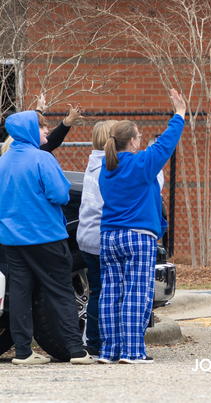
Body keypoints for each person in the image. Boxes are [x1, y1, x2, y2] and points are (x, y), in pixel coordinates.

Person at [0, 109, 95, 365]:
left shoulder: (3, 161)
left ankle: (23, 352)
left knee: (19, 292)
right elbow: (61, 195)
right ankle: (77, 351)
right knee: (61, 290)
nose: (45, 131)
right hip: (44, 236)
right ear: (30, 130)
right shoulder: (42, 159)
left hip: (11, 239)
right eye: (42, 127)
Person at [98, 88, 185, 364]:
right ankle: (133, 351)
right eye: (138, 136)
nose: (141, 140)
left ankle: (109, 352)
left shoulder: (106, 168)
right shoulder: (141, 164)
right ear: (133, 142)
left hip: (109, 238)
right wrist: (179, 114)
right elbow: (165, 146)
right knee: (137, 294)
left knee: (110, 294)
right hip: (137, 238)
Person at [76, 119, 116, 357]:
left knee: (96, 292)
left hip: (86, 238)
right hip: (102, 239)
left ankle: (93, 342)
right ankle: (101, 342)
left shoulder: (93, 164)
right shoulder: (108, 168)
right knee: (105, 292)